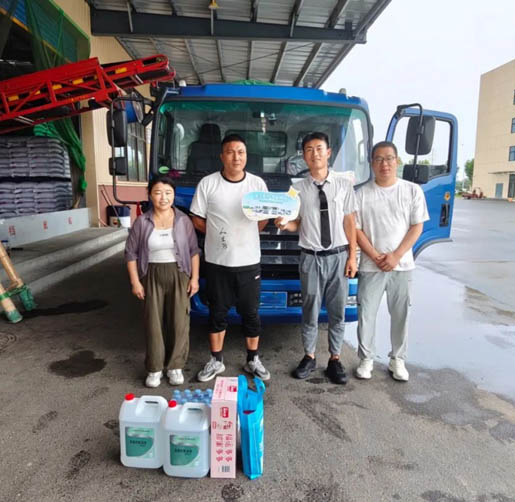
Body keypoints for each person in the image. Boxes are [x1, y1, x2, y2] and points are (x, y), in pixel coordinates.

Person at [276, 132, 357, 385]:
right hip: (310, 258)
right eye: (309, 150)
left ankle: (335, 358)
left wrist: (352, 256)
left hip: (338, 256)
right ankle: (309, 356)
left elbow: (350, 222)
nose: (315, 154)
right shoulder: (296, 189)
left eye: (319, 149)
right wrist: (284, 223)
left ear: (328, 152)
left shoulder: (344, 185)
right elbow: (296, 223)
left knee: (337, 310)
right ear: (304, 156)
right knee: (309, 308)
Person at [190, 133, 271, 382]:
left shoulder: (257, 185)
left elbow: (263, 219)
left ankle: (253, 359)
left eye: (241, 152)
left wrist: (244, 234)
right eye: (230, 152)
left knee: (251, 313)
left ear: (246, 156)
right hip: (218, 262)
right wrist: (219, 234)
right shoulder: (208, 184)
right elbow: (197, 218)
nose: (236, 157)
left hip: (249, 263)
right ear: (221, 156)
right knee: (217, 313)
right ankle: (216, 361)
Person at [354, 141, 429, 382]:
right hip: (370, 266)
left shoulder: (412, 191)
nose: (384, 164)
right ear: (371, 163)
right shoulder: (361, 194)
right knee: (366, 313)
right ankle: (366, 359)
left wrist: (396, 255)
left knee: (400, 314)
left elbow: (417, 227)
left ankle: (398, 359)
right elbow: (356, 229)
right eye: (378, 159)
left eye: (389, 158)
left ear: (397, 161)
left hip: (402, 266)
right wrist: (375, 255)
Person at [125, 175, 200, 388]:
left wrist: (194, 279)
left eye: (168, 193)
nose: (163, 197)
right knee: (153, 323)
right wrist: (135, 282)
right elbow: (130, 254)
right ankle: (155, 368)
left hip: (179, 274)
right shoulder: (142, 222)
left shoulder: (183, 221)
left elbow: (194, 251)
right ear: (150, 195)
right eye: (158, 192)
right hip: (151, 275)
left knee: (179, 321)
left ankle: (175, 366)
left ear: (174, 196)